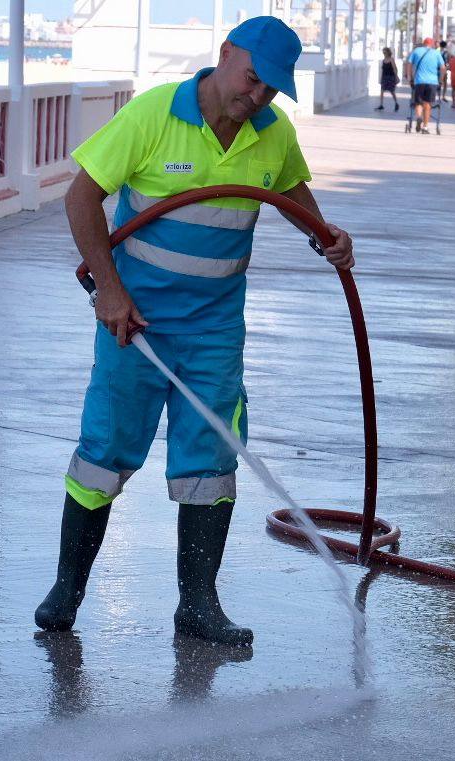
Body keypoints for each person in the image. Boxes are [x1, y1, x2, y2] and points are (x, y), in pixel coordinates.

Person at [35, 16, 355, 646]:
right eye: (252, 79)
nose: (256, 97)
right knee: (104, 455)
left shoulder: (272, 133)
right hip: (137, 326)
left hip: (214, 330)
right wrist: (111, 292)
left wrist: (326, 239)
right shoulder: (155, 114)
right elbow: (81, 198)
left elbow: (292, 191)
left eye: (271, 89)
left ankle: (198, 606)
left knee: (210, 461)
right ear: (225, 54)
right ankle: (66, 591)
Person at [405, 37, 446, 134]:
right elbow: (443, 68)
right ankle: (425, 127)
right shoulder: (436, 53)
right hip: (432, 82)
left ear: (423, 44)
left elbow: (409, 64)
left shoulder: (416, 51)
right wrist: (441, 80)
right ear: (432, 45)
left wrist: (409, 77)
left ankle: (419, 117)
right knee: (427, 104)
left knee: (418, 102)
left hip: (419, 81)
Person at [377, 46, 399, 111]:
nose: (384, 54)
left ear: (388, 53)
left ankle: (396, 103)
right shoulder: (383, 60)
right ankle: (381, 105)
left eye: (385, 52)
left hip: (391, 77)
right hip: (384, 77)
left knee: (392, 91)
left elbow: (395, 68)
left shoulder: (391, 59)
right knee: (382, 91)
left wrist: (396, 76)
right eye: (383, 52)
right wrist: (381, 79)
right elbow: (383, 70)